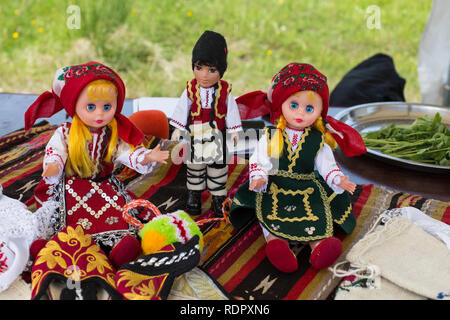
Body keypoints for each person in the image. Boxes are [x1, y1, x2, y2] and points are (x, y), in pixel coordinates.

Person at [24, 61, 169, 268]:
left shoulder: (112, 135)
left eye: (107, 107)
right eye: (90, 107)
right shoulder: (66, 133)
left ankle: (117, 248)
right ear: (74, 105)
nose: (100, 114)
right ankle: (51, 246)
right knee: (60, 218)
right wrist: (54, 165)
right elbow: (56, 151)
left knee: (116, 213)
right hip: (71, 186)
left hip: (103, 185)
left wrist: (146, 157)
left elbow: (127, 153)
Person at [230, 63, 366, 273]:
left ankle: (320, 245)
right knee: (269, 212)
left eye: (309, 108)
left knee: (317, 212)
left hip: (307, 185)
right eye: (294, 105)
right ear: (281, 104)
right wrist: (259, 175)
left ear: (320, 111)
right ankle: (276, 244)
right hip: (274, 183)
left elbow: (327, 166)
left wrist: (338, 179)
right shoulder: (271, 136)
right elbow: (260, 159)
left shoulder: (318, 140)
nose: (300, 113)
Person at [169, 31, 243, 217]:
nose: (204, 75)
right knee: (194, 166)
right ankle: (194, 195)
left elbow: (232, 111)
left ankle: (218, 197)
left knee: (218, 166)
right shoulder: (190, 90)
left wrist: (235, 131)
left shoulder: (225, 92)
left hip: (218, 135)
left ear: (221, 71)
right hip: (195, 135)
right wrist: (177, 128)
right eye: (199, 68)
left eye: (212, 70)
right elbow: (181, 109)